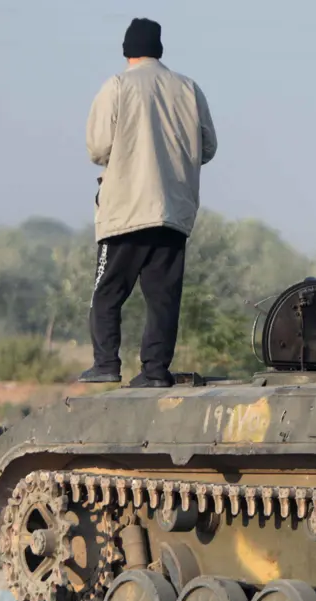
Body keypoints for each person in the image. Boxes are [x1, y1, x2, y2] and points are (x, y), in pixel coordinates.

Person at [79, 16, 217, 389]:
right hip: (173, 213)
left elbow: (97, 147)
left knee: (107, 292)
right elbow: (208, 148)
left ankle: (106, 363)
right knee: (162, 298)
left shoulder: (118, 86)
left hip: (125, 211)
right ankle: (155, 372)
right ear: (159, 51)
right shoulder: (189, 89)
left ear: (127, 52)